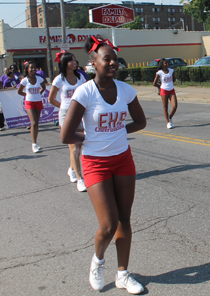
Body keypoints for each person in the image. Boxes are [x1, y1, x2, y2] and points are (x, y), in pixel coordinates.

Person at [60, 35, 146, 294]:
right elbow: (66, 135)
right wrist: (90, 137)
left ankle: (123, 274)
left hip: (123, 160)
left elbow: (140, 122)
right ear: (93, 62)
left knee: (124, 220)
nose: (112, 63)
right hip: (95, 163)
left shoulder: (126, 89)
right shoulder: (85, 92)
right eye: (106, 59)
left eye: (114, 59)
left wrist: (117, 132)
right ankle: (98, 261)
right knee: (108, 224)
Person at [48, 51, 87, 192]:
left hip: (81, 113)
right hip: (66, 115)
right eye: (71, 61)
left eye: (75, 60)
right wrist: (66, 107)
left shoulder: (81, 77)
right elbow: (51, 99)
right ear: (64, 63)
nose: (74, 62)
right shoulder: (59, 80)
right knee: (74, 148)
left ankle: (72, 169)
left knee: (79, 146)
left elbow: (85, 94)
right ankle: (80, 179)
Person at [17, 61, 47, 153]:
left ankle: (36, 143)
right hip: (29, 103)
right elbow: (19, 91)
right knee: (33, 123)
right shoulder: (25, 80)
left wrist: (39, 93)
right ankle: (34, 144)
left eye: (34, 68)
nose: (33, 69)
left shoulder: (39, 79)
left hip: (38, 102)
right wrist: (27, 95)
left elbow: (44, 87)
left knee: (36, 123)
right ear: (27, 69)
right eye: (31, 68)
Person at [153, 58, 178, 129]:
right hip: (164, 90)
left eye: (167, 63)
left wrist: (170, 83)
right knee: (165, 107)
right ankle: (168, 122)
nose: (167, 64)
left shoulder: (171, 71)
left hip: (171, 90)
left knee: (175, 106)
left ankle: (170, 118)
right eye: (165, 63)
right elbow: (154, 83)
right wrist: (160, 86)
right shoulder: (159, 72)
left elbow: (174, 79)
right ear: (162, 65)